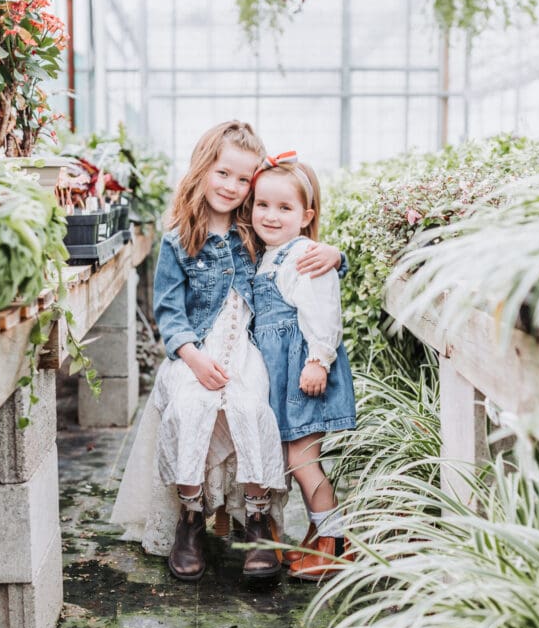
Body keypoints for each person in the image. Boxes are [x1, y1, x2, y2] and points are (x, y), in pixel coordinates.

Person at [110, 121, 342, 583]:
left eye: (244, 180)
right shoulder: (178, 237)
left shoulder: (253, 227)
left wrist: (335, 253)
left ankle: (257, 520)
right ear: (202, 168)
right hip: (194, 353)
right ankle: (191, 517)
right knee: (189, 407)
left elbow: (297, 249)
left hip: (247, 352)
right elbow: (169, 312)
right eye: (223, 174)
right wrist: (192, 357)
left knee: (249, 408)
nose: (232, 188)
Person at [250, 152, 356, 581]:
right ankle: (319, 534)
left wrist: (318, 361)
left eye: (285, 208)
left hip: (303, 373)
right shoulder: (269, 253)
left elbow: (323, 315)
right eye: (263, 205)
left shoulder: (307, 256)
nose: (271, 216)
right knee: (292, 455)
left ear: (306, 214)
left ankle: (337, 543)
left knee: (302, 458)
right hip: (280, 375)